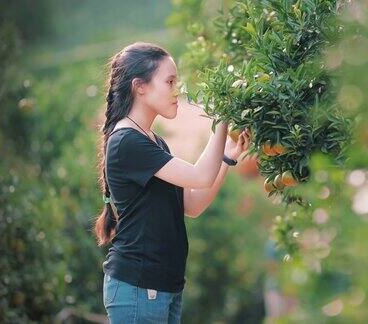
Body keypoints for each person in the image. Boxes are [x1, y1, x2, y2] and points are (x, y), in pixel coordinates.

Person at [92, 42, 250, 323]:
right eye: (169, 81)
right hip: (140, 288)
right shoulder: (127, 141)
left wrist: (226, 158)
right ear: (140, 86)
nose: (177, 90)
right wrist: (224, 116)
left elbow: (192, 204)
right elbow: (200, 176)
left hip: (163, 287)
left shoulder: (153, 141)